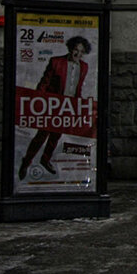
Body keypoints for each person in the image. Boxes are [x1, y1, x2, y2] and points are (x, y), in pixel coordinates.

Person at [18, 36, 93, 181]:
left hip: (68, 106)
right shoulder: (56, 62)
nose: (77, 54)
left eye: (81, 52)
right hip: (52, 103)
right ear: (70, 49)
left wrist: (79, 105)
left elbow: (78, 87)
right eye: (75, 50)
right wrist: (39, 100)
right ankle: (26, 161)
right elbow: (44, 83)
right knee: (42, 135)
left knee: (56, 135)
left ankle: (45, 159)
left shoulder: (84, 67)